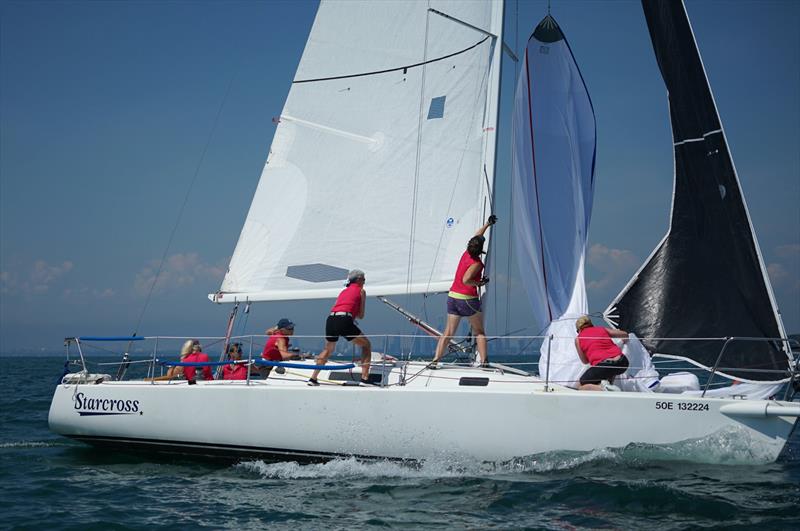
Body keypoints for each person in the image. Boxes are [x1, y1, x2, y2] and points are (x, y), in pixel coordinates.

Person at [430, 215, 496, 367]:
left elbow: (477, 236)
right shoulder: (477, 263)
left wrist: (487, 224)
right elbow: (466, 280)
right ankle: (485, 362)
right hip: (467, 299)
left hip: (453, 297)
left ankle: (435, 361)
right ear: (480, 250)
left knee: (448, 332)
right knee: (479, 331)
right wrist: (479, 283)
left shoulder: (466, 253)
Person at [309, 269, 372, 386]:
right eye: (363, 279)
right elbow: (361, 315)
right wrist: (351, 317)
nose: (364, 282)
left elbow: (338, 307)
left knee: (328, 349)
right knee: (366, 345)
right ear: (358, 280)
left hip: (331, 319)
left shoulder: (343, 291)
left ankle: (313, 378)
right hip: (344, 319)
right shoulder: (361, 291)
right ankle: (365, 379)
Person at [574, 316, 630, 391]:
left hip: (605, 365)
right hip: (622, 362)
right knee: (607, 372)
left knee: (579, 386)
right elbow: (625, 334)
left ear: (579, 329)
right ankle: (609, 386)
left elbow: (585, 361)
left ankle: (603, 389)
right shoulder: (601, 329)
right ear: (591, 324)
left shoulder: (578, 339)